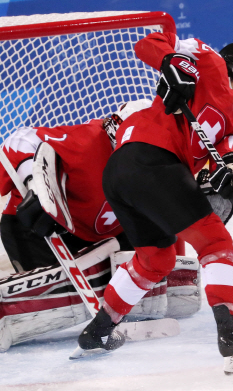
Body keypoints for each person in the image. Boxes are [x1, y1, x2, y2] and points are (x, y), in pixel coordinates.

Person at [75, 32, 233, 373]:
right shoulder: (209, 62)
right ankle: (231, 332)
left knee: (156, 258)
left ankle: (98, 331)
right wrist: (171, 61)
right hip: (148, 158)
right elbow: (152, 39)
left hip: (124, 175)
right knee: (216, 241)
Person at [0, 101, 201, 351]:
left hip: (102, 236)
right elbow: (18, 139)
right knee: (54, 298)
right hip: (38, 227)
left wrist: (166, 278)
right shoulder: (86, 143)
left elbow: (163, 221)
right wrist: (34, 186)